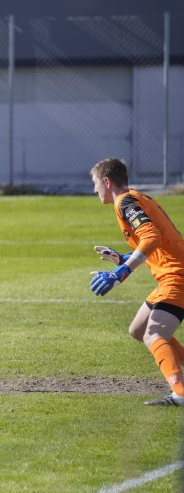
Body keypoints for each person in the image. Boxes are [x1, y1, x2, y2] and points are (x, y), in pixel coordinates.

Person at [90, 157, 184, 406]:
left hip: (177, 275)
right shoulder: (133, 198)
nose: (94, 189)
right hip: (171, 274)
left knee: (154, 335)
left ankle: (180, 392)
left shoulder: (125, 202)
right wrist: (122, 258)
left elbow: (151, 237)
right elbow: (158, 241)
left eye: (95, 183)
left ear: (107, 182)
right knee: (138, 330)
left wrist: (122, 272)